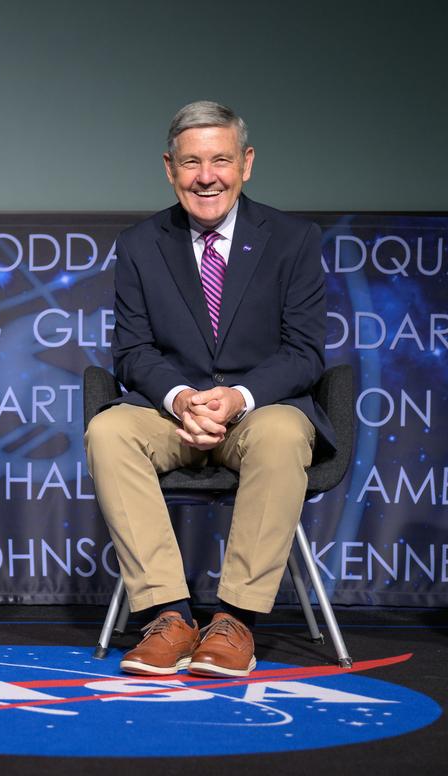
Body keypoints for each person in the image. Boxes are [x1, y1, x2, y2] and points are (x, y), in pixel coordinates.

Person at [84, 101, 332, 678]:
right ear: (169, 168)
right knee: (109, 429)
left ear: (246, 163)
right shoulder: (142, 243)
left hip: (258, 412)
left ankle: (235, 620)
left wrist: (238, 397)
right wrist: (179, 399)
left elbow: (304, 351)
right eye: (191, 162)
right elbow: (133, 350)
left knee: (280, 434)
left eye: (220, 160)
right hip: (173, 412)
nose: (206, 176)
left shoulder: (293, 239)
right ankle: (168, 615)